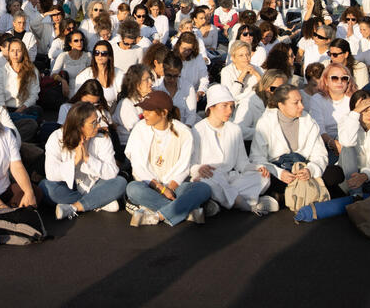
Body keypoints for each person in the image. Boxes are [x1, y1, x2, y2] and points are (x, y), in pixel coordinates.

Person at [124, 90, 210, 226]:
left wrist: (170, 188)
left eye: (148, 110)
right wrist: (161, 189)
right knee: (132, 188)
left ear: (163, 113)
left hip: (175, 187)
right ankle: (186, 211)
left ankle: (158, 215)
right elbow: (138, 165)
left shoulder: (184, 132)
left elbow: (184, 166)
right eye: (144, 110)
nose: (143, 114)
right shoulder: (139, 129)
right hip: (149, 186)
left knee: (203, 189)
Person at [190, 84, 276, 216]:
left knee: (263, 177)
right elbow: (191, 164)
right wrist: (198, 168)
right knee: (209, 182)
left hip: (230, 178)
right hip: (208, 177)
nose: (229, 111)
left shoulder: (235, 130)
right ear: (211, 107)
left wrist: (256, 168)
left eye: (231, 106)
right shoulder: (198, 130)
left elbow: (242, 164)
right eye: (224, 106)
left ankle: (216, 203)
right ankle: (245, 203)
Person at [250, 84, 339, 203]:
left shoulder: (308, 120)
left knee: (337, 173)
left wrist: (310, 170)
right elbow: (256, 158)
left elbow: (320, 154)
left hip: (303, 168)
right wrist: (280, 173)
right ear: (281, 105)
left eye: (301, 101)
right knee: (261, 178)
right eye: (296, 103)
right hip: (279, 171)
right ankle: (301, 193)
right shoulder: (265, 123)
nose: (301, 106)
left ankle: (284, 197)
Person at [42, 101, 127, 219]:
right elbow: (51, 173)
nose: (98, 125)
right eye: (93, 123)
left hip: (96, 184)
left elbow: (112, 172)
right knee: (46, 187)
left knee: (120, 182)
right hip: (69, 188)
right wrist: (75, 161)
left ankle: (74, 207)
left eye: (98, 121)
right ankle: (98, 202)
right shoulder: (56, 137)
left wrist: (87, 158)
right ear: (79, 125)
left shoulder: (102, 138)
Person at [336, 90, 370, 195]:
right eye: (364, 110)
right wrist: (355, 114)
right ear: (355, 110)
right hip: (346, 175)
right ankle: (356, 195)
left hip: (368, 176)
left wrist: (364, 176)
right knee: (348, 149)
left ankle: (357, 193)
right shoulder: (346, 121)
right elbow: (347, 142)